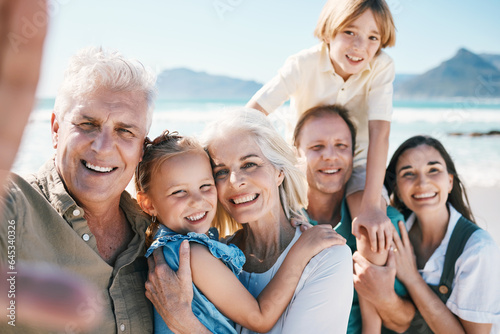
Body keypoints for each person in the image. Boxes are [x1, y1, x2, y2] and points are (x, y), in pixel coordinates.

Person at [0, 46, 192, 334]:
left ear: (142, 148)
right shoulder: (11, 208)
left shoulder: (158, 235)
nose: (102, 147)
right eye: (87, 124)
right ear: (55, 130)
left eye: (125, 131)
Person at [134, 131, 345, 333]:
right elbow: (259, 318)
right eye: (179, 191)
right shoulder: (190, 253)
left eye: (206, 185)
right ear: (147, 203)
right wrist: (299, 252)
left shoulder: (166, 248)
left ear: (279, 172)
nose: (198, 201)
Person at [246, 0, 397, 253]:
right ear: (329, 32)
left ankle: (369, 290)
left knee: (369, 230)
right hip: (304, 160)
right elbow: (253, 113)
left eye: (373, 37)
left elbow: (380, 132)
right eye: (350, 32)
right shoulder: (303, 64)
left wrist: (371, 204)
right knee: (281, 230)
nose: (360, 46)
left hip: (358, 161)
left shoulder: (381, 66)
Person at [355, 135, 500, 333]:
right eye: (408, 173)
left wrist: (412, 278)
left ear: (449, 182)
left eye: (433, 170)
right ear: (396, 188)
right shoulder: (391, 229)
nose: (422, 183)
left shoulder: (477, 250)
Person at [292, 104, 411, 334]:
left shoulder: (385, 224)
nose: (330, 155)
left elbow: (404, 320)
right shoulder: (280, 221)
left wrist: (384, 297)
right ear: (296, 152)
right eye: (316, 147)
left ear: (353, 153)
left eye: (341, 146)